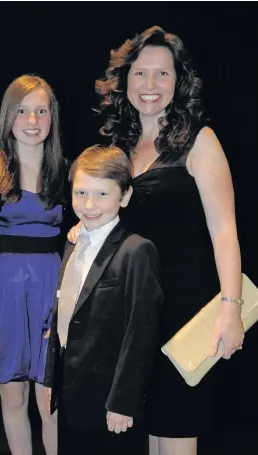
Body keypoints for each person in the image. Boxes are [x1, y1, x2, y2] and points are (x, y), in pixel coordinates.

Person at [92, 26, 244, 455]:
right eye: (141, 74)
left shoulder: (200, 141)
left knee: (178, 431)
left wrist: (230, 309)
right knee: (155, 432)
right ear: (126, 80)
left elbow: (225, 230)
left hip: (187, 311)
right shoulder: (117, 147)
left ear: (179, 82)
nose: (150, 86)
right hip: (136, 314)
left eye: (162, 75)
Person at [44, 145, 164, 455]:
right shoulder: (73, 243)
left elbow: (141, 333)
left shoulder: (136, 251)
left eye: (102, 194)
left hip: (110, 402)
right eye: (81, 193)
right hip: (71, 392)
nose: (89, 204)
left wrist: (123, 402)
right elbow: (63, 312)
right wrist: (51, 380)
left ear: (124, 197)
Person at [0, 75, 71, 455]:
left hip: (52, 291)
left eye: (41, 111)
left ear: (52, 117)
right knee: (13, 399)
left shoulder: (69, 170)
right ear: (7, 116)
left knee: (50, 404)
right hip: (6, 294)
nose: (32, 121)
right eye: (22, 111)